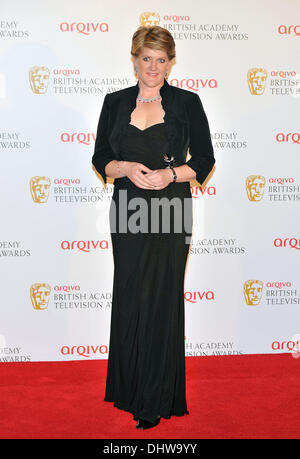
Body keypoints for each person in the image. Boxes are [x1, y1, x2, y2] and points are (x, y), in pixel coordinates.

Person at [92, 25, 215, 430]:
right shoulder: (114, 103)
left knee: (161, 296)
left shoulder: (187, 103)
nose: (154, 67)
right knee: (130, 296)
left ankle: (155, 397)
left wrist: (172, 175)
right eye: (147, 58)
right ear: (134, 59)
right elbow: (101, 158)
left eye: (162, 60)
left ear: (170, 62)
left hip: (170, 210)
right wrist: (124, 168)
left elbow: (205, 159)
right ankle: (129, 390)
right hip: (128, 210)